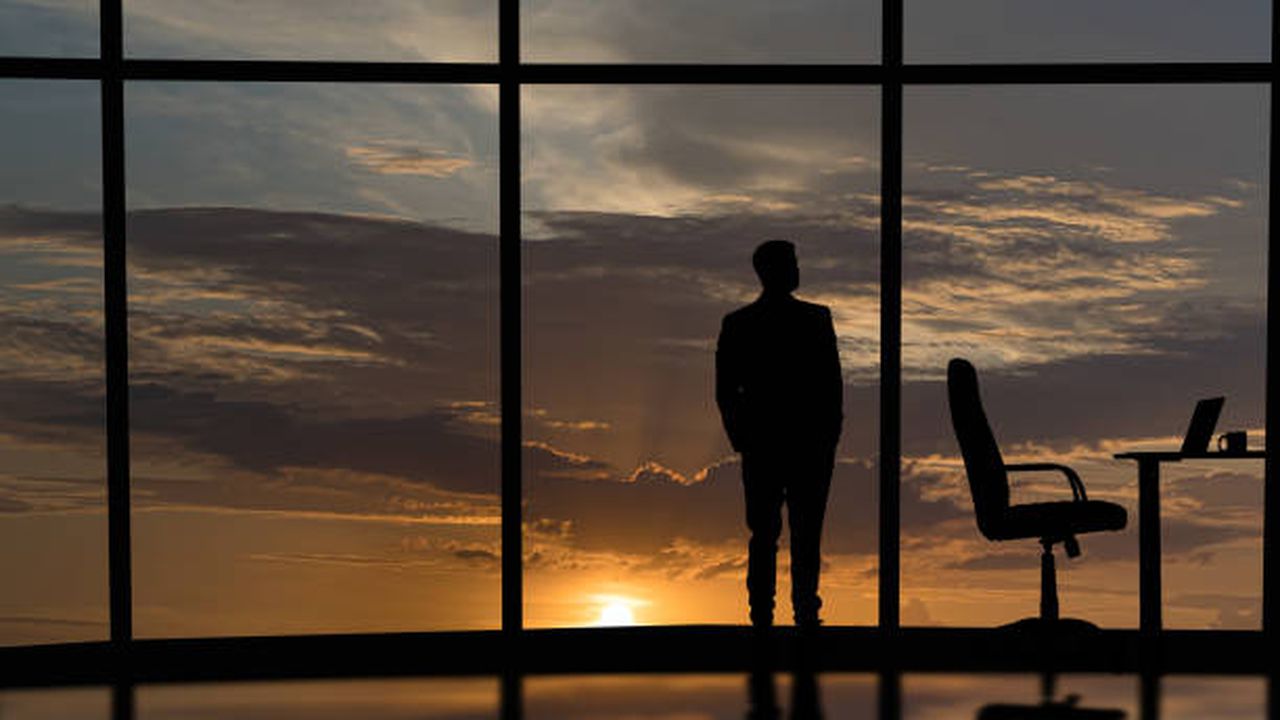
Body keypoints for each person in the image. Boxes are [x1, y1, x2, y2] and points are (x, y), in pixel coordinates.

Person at [716, 239, 843, 629]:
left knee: (770, 534)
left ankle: (771, 616)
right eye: (793, 263)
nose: (798, 270)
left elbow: (726, 392)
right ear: (776, 270)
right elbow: (830, 386)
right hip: (793, 446)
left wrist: (744, 439)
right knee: (798, 535)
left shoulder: (741, 324)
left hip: (777, 445)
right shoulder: (813, 320)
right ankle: (796, 614)